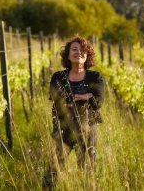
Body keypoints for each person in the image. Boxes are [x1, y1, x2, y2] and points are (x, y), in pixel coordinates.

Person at [43, 36, 105, 189]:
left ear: (88, 55)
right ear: (68, 54)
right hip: (63, 128)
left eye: (83, 50)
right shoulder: (58, 76)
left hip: (88, 129)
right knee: (54, 170)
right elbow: (57, 99)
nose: (79, 52)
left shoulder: (95, 77)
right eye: (75, 49)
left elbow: (98, 102)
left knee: (87, 171)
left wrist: (79, 97)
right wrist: (86, 96)